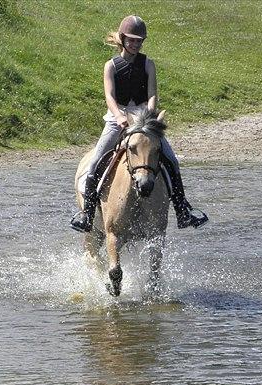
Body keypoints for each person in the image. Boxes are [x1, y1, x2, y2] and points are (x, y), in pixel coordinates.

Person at [70, 15, 208, 233]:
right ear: (123, 39)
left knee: (171, 160)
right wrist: (118, 115)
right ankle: (87, 215)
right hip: (118, 118)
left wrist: (150, 112)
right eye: (132, 40)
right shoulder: (111, 66)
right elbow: (109, 96)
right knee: (96, 160)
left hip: (143, 118)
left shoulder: (148, 64)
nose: (136, 44)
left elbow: (153, 93)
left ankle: (183, 210)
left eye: (139, 41)